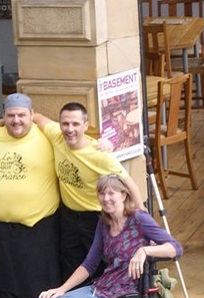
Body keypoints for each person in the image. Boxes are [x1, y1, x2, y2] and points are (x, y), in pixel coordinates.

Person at [36, 174, 183, 298]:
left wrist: (144, 251)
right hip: (101, 288)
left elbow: (175, 248)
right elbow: (89, 264)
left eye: (111, 193)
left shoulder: (138, 219)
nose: (106, 198)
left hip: (121, 294)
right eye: (102, 194)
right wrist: (62, 289)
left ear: (123, 195)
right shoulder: (104, 223)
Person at [0, 93, 61, 298]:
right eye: (10, 115)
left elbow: (54, 124)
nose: (16, 120)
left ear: (32, 115)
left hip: (38, 228)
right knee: (10, 288)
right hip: (5, 230)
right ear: (4, 116)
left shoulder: (46, 135)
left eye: (22, 115)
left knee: (38, 291)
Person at [34, 102, 145, 283]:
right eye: (65, 124)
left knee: (99, 267)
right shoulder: (56, 136)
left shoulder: (99, 155)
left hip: (94, 219)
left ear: (86, 126)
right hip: (68, 216)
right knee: (71, 267)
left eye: (76, 124)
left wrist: (142, 218)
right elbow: (34, 116)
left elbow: (130, 184)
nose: (70, 129)